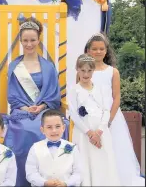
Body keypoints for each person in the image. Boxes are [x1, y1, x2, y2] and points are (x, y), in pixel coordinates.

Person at [3, 17, 67, 186]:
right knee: (23, 128)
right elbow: (13, 96)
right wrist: (26, 108)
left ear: (39, 40)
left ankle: (48, 180)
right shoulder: (14, 66)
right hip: (21, 111)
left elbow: (54, 95)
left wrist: (41, 106)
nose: (29, 44)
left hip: (44, 110)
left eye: (32, 40)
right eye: (25, 40)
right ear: (20, 41)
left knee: (46, 127)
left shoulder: (48, 66)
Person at [84, 33, 145, 186]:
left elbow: (116, 97)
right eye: (94, 49)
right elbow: (80, 94)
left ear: (106, 51)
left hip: (111, 117)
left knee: (114, 149)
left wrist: (109, 119)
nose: (98, 52)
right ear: (88, 51)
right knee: (93, 149)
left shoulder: (113, 72)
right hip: (90, 117)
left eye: (101, 49)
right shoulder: (84, 71)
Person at [68, 54, 120, 186]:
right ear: (77, 70)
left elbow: (106, 110)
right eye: (83, 70)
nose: (86, 74)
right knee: (85, 161)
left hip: (100, 131)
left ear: (93, 71)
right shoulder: (74, 90)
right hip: (83, 133)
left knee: (102, 159)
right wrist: (89, 133)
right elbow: (74, 114)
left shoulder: (101, 89)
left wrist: (100, 131)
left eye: (89, 70)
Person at [26, 109, 82, 187]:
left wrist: (66, 183)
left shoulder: (73, 148)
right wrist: (44, 183)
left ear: (63, 128)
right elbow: (31, 173)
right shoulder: (35, 148)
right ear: (42, 130)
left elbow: (78, 173)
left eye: (57, 126)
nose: (54, 130)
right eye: (49, 127)